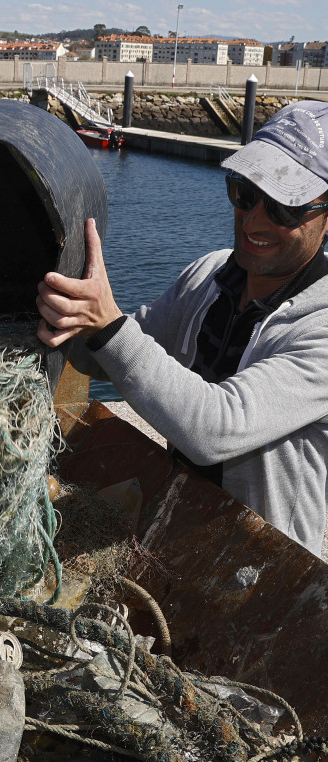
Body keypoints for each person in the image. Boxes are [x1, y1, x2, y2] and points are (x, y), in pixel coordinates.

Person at [36, 100, 328, 557]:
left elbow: (216, 428)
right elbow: (109, 356)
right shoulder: (210, 275)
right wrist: (63, 304)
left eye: (284, 209)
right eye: (245, 193)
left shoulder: (322, 325)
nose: (253, 221)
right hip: (182, 523)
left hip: (266, 567)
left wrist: (108, 326)